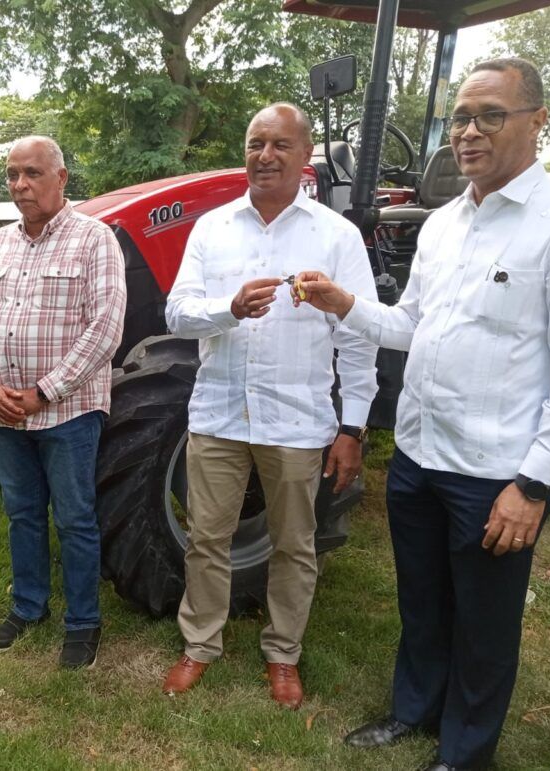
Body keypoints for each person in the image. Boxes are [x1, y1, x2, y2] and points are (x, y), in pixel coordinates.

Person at [294, 59, 550, 769]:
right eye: (461, 117)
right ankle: (415, 709)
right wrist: (345, 303)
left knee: (485, 622)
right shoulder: (442, 224)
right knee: (423, 602)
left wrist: (534, 486)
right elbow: (411, 324)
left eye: (490, 115)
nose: (469, 131)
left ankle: (465, 751)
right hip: (419, 455)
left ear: (537, 121)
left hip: (496, 472)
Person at [160, 104, 378, 708]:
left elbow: (359, 336)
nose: (266, 155)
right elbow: (176, 314)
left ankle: (283, 653)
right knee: (207, 537)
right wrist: (227, 309)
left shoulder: (335, 235)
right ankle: (199, 643)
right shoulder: (212, 228)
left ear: (305, 155)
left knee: (294, 544)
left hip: (296, 419)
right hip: (220, 413)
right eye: (256, 143)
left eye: (281, 144)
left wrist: (353, 426)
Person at [0, 135, 126, 669]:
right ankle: (28, 606)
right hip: (4, 412)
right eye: (13, 174)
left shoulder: (94, 239)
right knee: (22, 514)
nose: (20, 185)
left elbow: (106, 329)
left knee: (75, 518)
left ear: (61, 178)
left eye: (32, 173)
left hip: (68, 411)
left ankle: (82, 621)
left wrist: (43, 393)